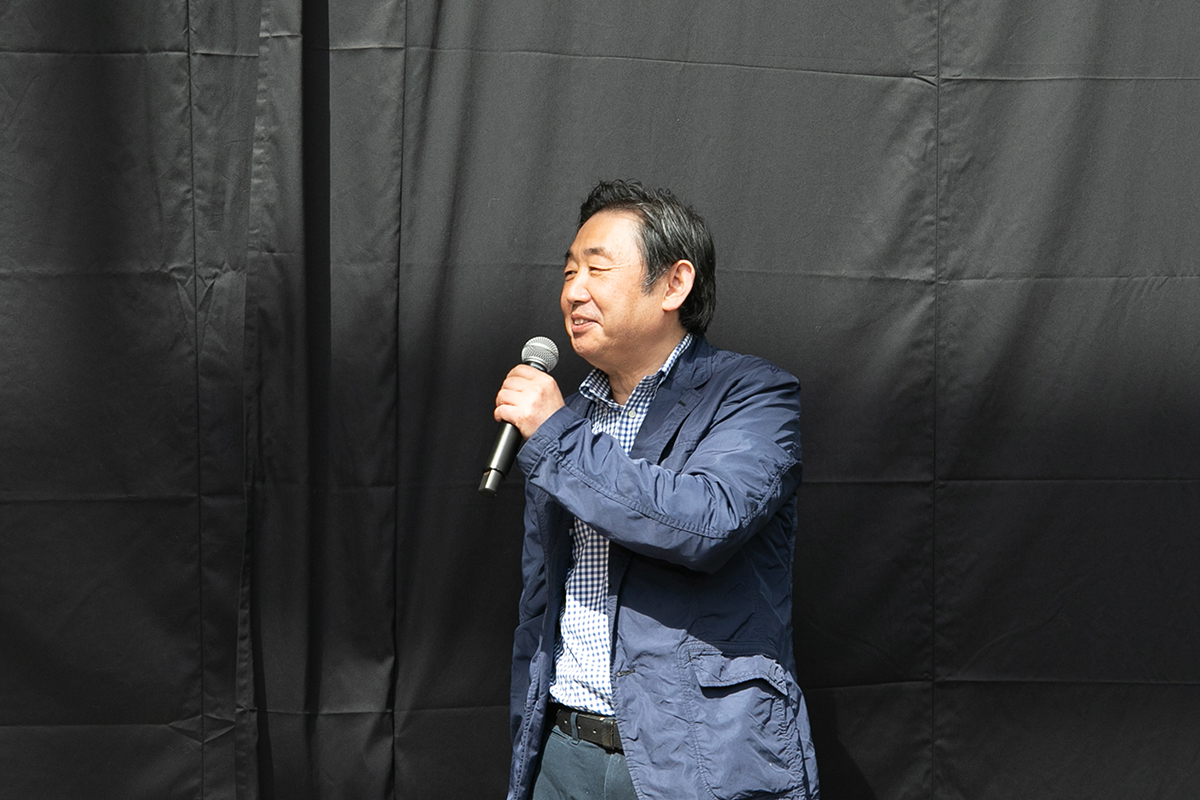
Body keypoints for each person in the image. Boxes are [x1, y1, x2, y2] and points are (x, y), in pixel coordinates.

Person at [494, 179, 818, 800]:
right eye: (568, 272)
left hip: (697, 759)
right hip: (562, 749)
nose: (574, 291)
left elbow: (706, 521)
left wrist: (556, 436)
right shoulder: (572, 416)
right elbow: (540, 599)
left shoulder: (752, 394)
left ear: (674, 285)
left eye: (597, 269)